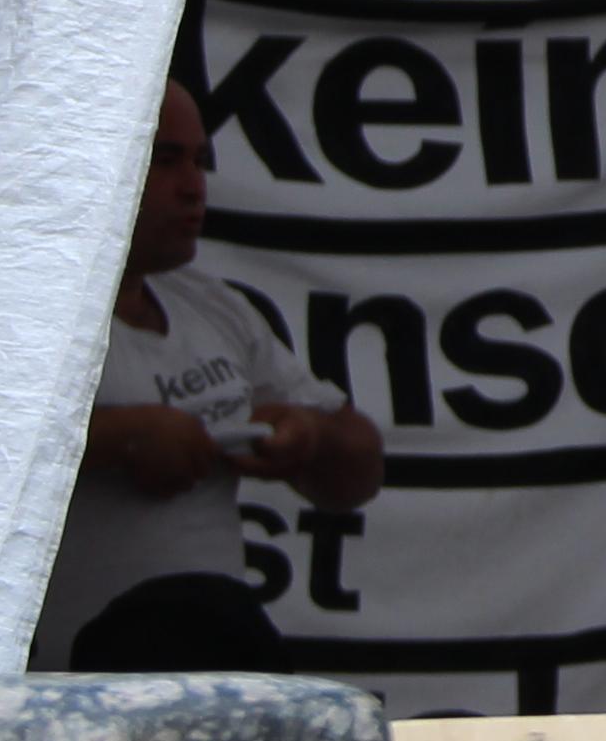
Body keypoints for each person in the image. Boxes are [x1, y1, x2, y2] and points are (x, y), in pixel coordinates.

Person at [36, 80, 386, 668]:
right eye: (165, 160)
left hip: (216, 660)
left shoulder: (215, 307)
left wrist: (308, 438)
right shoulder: (22, 317)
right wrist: (119, 438)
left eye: (200, 161)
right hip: (74, 685)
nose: (193, 186)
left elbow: (361, 472)